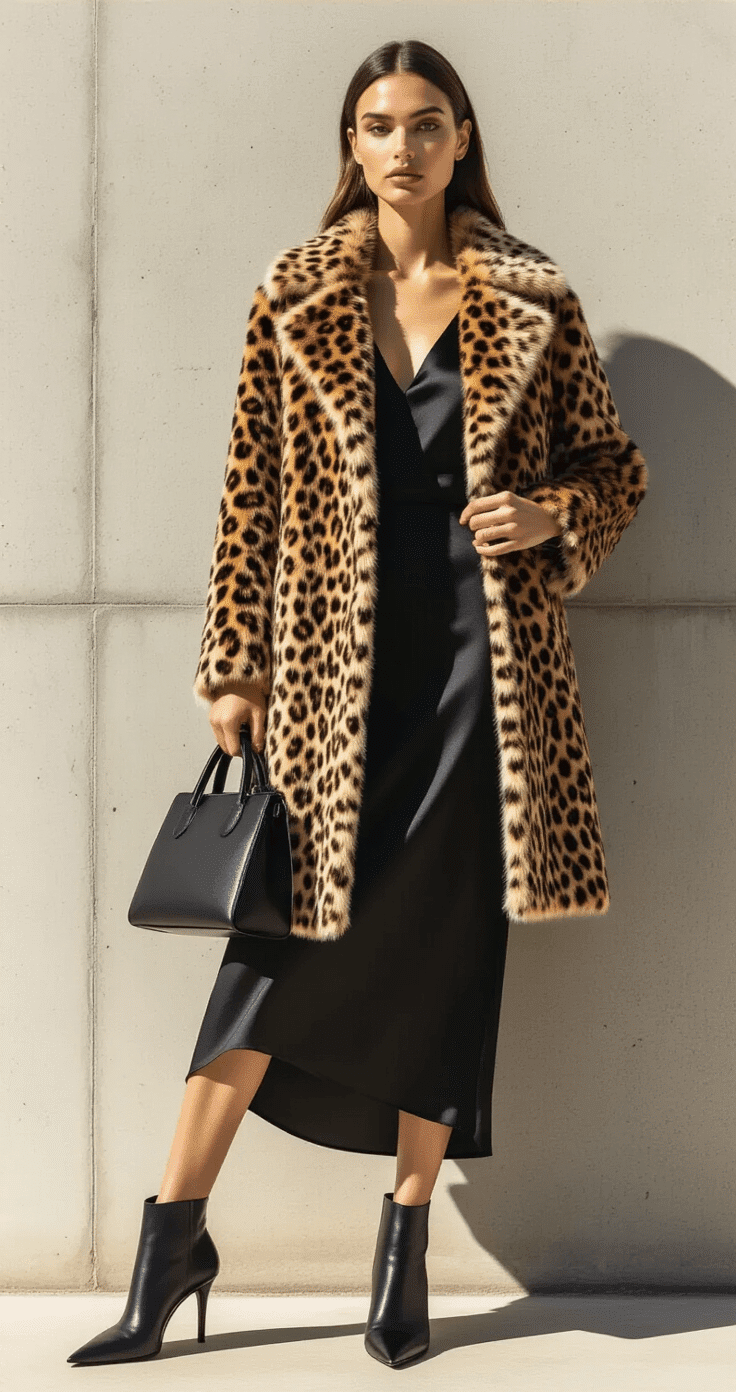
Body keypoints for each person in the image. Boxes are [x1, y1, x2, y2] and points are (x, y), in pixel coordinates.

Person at [68, 37, 648, 1371]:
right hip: (334, 681)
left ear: (462, 137)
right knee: (267, 956)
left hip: (484, 671)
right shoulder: (295, 296)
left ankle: (406, 1249)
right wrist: (235, 664)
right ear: (352, 144)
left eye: (427, 123)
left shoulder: (531, 297)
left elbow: (613, 469)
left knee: (447, 953)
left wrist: (550, 512)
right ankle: (172, 1241)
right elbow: (249, 497)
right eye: (379, 125)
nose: (403, 147)